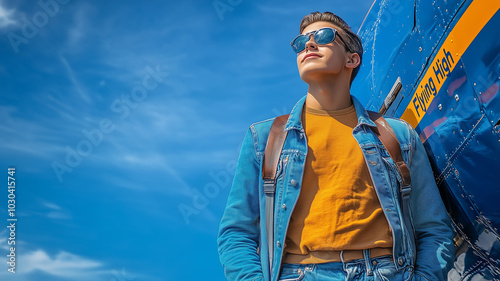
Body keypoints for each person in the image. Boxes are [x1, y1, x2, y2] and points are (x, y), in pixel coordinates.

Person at [217, 11, 454, 281]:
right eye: (301, 42)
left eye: (323, 36)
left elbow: (433, 228)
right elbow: (236, 233)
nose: (308, 44)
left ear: (352, 59)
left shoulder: (398, 135)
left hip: (385, 273)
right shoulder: (263, 138)